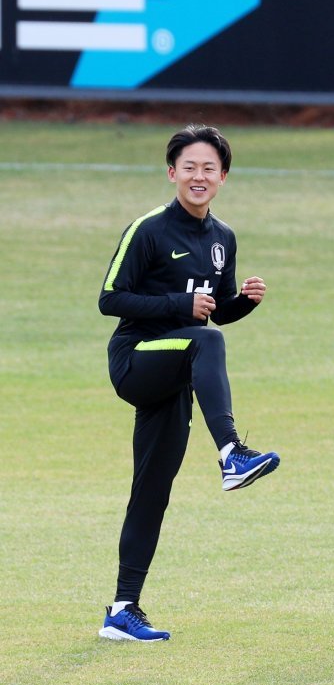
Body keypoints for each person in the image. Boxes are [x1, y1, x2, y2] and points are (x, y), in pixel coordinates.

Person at [97, 124, 280, 641]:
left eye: (210, 168)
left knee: (152, 492)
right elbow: (111, 299)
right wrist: (180, 307)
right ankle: (231, 454)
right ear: (172, 171)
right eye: (189, 167)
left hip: (176, 374)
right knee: (206, 343)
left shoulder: (223, 238)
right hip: (135, 360)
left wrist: (243, 301)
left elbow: (215, 314)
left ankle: (122, 610)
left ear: (223, 176)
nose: (199, 176)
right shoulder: (149, 229)